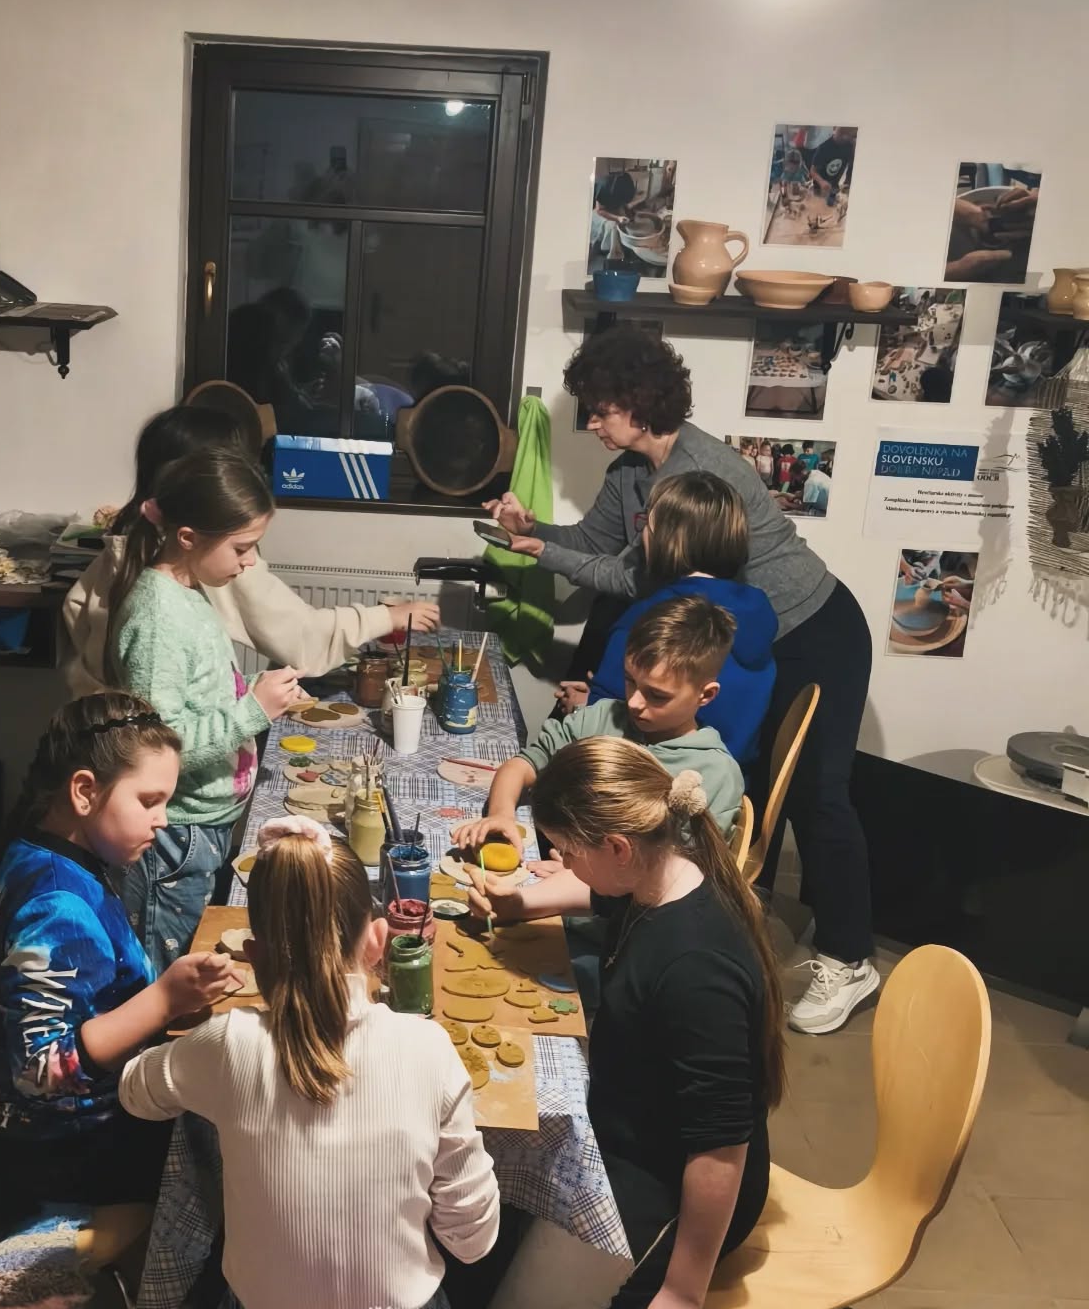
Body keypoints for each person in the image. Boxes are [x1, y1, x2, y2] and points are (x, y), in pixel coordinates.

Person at [485, 329, 878, 1036]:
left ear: (639, 403)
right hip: (732, 634)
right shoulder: (630, 473)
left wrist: (542, 551)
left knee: (818, 794)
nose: (592, 423)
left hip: (813, 627)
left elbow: (631, 577)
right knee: (741, 775)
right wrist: (531, 530)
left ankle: (849, 957)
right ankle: (725, 920)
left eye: (602, 409)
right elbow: (596, 545)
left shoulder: (701, 472)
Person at [120, 816, 501, 1309]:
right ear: (377, 941)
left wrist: (173, 1016)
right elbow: (473, 1241)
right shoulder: (427, 1047)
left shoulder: (227, 1044)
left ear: (253, 954)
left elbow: (135, 1091)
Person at [528, 738, 784, 1309]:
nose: (563, 865)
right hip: (632, 1133)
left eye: (567, 852)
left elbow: (721, 1147)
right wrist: (516, 902)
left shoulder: (695, 967)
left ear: (617, 848)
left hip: (678, 1182)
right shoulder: (655, 878)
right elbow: (597, 895)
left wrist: (682, 1294)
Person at [0, 692, 242, 1206]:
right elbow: (41, 1073)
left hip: (34, 1124)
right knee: (230, 1153)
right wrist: (164, 1001)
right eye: (149, 801)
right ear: (84, 792)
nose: (163, 820)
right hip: (59, 1149)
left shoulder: (35, 848)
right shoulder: (57, 907)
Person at [63, 404, 438, 695]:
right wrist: (386, 617)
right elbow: (303, 638)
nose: (249, 559)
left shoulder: (134, 535)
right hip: (150, 757)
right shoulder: (196, 561)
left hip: (103, 734)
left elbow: (75, 608)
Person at [106, 447, 304, 969]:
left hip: (205, 827)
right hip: (175, 837)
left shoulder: (189, 592)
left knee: (198, 954)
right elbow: (158, 748)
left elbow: (201, 694)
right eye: (242, 547)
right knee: (169, 970)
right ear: (189, 537)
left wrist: (257, 690)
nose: (250, 561)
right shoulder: (157, 617)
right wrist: (252, 712)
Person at [454, 594, 745, 858]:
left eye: (657, 695)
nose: (634, 702)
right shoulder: (600, 717)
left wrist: (582, 881)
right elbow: (523, 765)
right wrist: (501, 814)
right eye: (630, 680)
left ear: (705, 695)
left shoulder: (715, 774)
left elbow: (687, 877)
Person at [574, 473, 777, 765]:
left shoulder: (648, 620)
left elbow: (606, 737)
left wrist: (583, 708)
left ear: (668, 540)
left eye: (646, 525)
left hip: (660, 777)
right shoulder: (758, 611)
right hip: (730, 776)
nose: (641, 536)